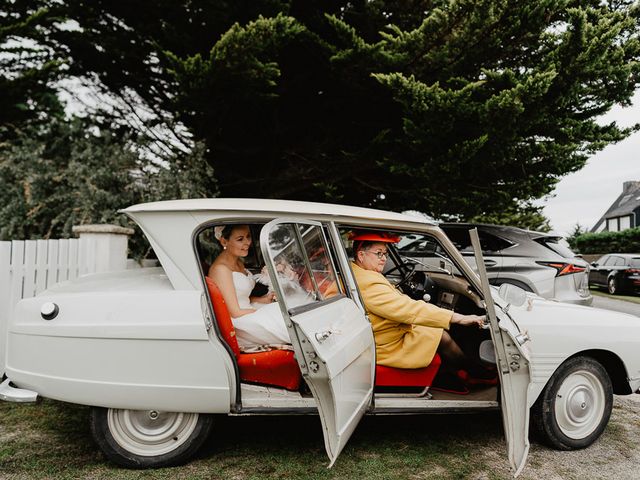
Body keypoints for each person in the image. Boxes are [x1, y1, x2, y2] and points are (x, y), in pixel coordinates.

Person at [349, 231, 487, 374]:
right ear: (361, 255)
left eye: (385, 253)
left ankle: (460, 371)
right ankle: (473, 372)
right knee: (440, 335)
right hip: (387, 344)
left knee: (435, 330)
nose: (384, 258)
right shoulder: (368, 283)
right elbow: (408, 309)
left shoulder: (359, 273)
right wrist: (460, 318)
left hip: (382, 334)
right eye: (379, 253)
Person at [208, 224, 291, 350]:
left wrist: (264, 300)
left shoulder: (238, 261)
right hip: (239, 323)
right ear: (224, 241)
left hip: (247, 310)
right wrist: (262, 312)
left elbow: (241, 296)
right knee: (284, 321)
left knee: (288, 307)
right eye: (240, 239)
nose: (247, 242)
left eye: (248, 237)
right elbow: (235, 312)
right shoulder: (221, 270)